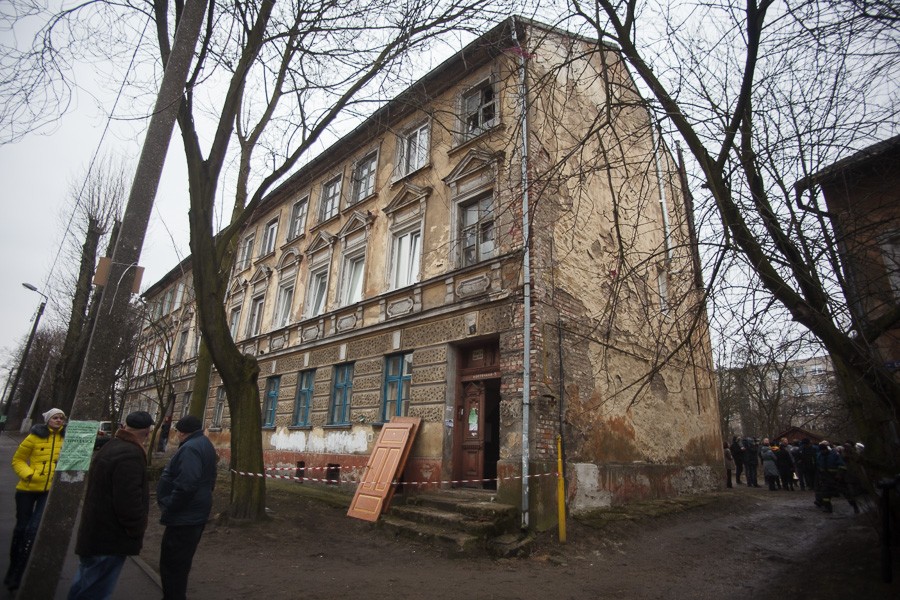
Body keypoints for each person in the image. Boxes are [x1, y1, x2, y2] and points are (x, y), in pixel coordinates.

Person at [68, 410, 155, 600]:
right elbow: (128, 499)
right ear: (147, 432)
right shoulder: (130, 455)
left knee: (84, 587)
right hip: (109, 538)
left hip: (96, 533)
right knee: (94, 593)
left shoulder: (111, 446)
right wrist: (137, 527)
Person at [5, 407, 66, 591]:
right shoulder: (34, 437)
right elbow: (18, 460)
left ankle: (20, 574)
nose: (59, 420)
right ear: (48, 420)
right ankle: (13, 568)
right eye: (55, 418)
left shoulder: (65, 439)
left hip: (48, 491)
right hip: (27, 489)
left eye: (61, 418)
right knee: (21, 528)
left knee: (33, 529)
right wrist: (29, 474)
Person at [157, 415, 218, 600]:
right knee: (180, 563)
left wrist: (170, 504)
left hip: (184, 515)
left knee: (172, 564)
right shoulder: (205, 444)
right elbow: (210, 478)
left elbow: (187, 484)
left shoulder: (191, 448)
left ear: (182, 432)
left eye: (176, 431)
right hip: (196, 511)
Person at [814, 440, 845, 513]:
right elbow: (818, 465)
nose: (822, 452)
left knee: (844, 492)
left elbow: (842, 465)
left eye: (823, 450)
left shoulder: (834, 455)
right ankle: (828, 507)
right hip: (825, 477)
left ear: (826, 449)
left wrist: (839, 474)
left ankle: (854, 505)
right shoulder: (819, 456)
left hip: (835, 476)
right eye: (821, 451)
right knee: (825, 493)